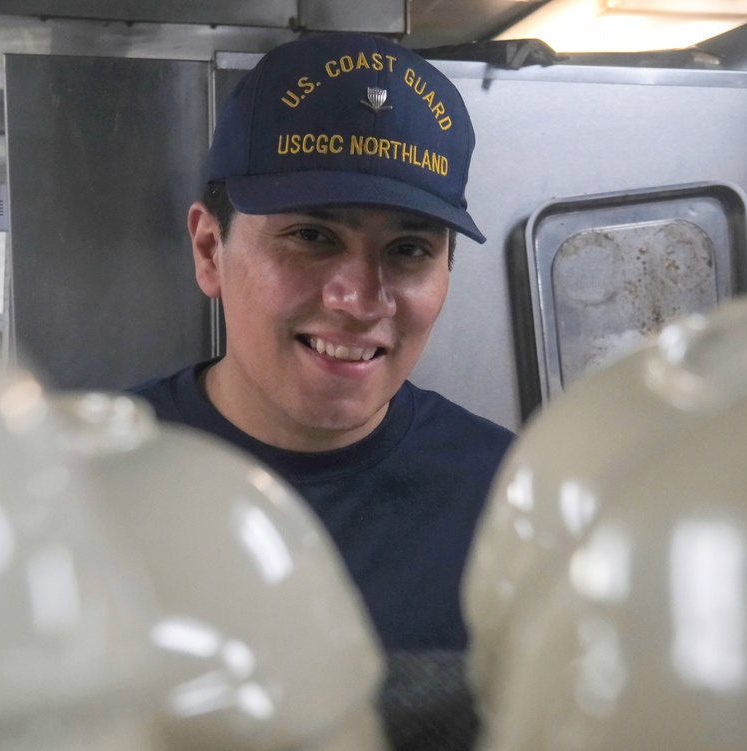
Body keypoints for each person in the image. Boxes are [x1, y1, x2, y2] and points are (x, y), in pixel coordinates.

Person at [130, 32, 513, 660]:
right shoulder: (84, 490)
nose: (360, 301)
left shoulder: (510, 501)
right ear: (209, 251)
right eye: (312, 236)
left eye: (409, 250)